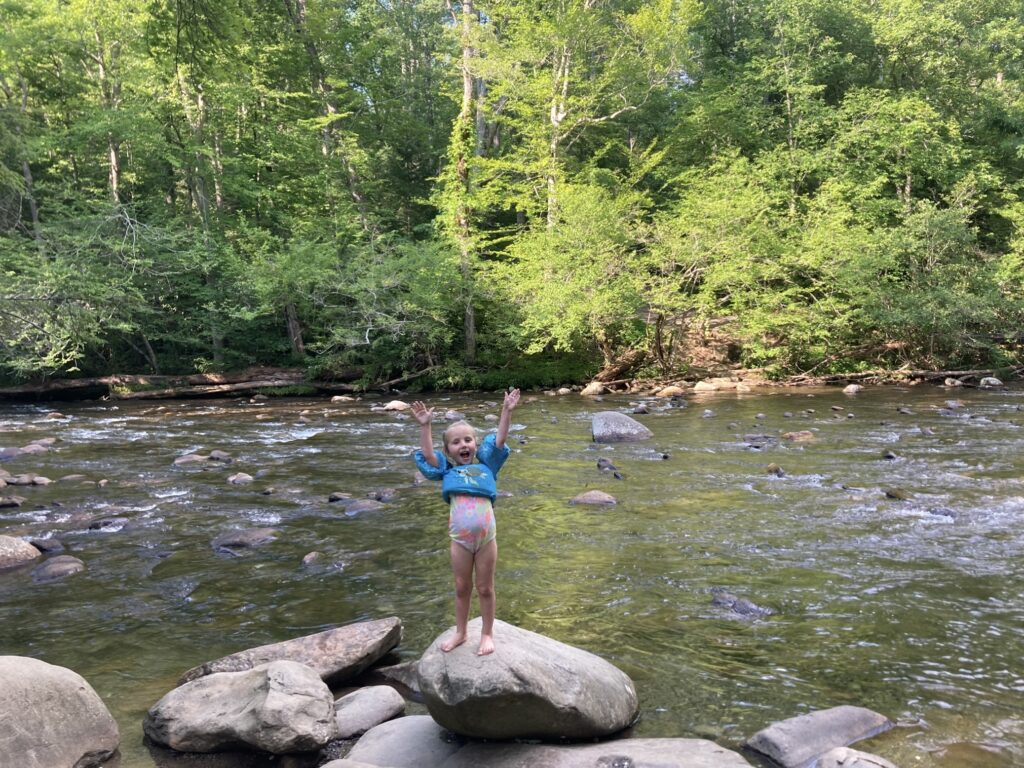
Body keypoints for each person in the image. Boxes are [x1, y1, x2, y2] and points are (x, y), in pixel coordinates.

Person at [411, 389, 520, 656]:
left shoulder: (487, 466)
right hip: (460, 539)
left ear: (475, 444)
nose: (463, 445)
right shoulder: (446, 470)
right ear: (448, 450)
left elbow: (500, 439)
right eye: (456, 442)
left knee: (485, 588)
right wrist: (425, 426)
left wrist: (506, 410)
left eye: (468, 440)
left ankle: (486, 634)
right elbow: (427, 456)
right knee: (462, 587)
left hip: (486, 539)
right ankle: (460, 632)